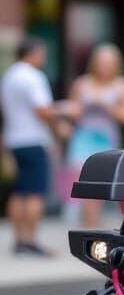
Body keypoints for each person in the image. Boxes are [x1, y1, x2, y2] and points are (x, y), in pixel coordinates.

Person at [1, 38, 77, 255]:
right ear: (32, 53)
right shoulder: (33, 76)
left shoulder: (9, 76)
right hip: (33, 140)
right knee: (35, 192)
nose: (43, 57)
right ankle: (31, 241)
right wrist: (63, 114)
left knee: (19, 191)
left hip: (14, 139)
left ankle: (19, 240)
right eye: (41, 53)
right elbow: (42, 110)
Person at [68, 44, 124, 229]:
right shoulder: (82, 83)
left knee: (97, 184)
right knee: (83, 182)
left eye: (109, 63)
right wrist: (78, 108)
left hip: (105, 139)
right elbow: (73, 112)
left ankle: (92, 225)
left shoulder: (123, 86)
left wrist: (106, 106)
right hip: (83, 137)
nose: (104, 67)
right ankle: (88, 224)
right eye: (101, 63)